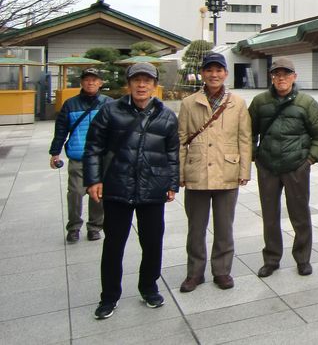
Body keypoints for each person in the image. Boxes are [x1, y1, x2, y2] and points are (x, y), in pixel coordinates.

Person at [83, 62, 179, 320]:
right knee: (114, 244)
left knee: (152, 242)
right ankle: (109, 296)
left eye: (147, 80)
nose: (141, 85)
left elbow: (172, 153)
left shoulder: (167, 115)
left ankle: (149, 287)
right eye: (136, 80)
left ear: (155, 85)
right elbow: (93, 147)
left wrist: (172, 183)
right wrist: (93, 180)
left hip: (152, 187)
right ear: (128, 84)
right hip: (117, 185)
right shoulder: (110, 111)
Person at [177, 52, 252, 292]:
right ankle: (194, 273)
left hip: (227, 170)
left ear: (226, 73)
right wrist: (180, 173)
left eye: (218, 70)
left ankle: (222, 271)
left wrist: (244, 170)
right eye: (209, 70)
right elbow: (181, 140)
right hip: (197, 170)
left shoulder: (237, 103)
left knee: (224, 227)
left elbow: (245, 138)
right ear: (202, 73)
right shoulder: (189, 103)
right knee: (196, 228)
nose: (214, 74)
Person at [249, 57, 318, 278]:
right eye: (277, 74)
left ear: (294, 77)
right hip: (268, 166)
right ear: (271, 77)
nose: (281, 78)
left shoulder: (306, 102)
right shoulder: (260, 102)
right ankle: (271, 259)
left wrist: (309, 160)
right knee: (269, 215)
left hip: (296, 166)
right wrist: (255, 155)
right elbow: (248, 132)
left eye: (286, 74)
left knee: (300, 214)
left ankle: (302, 258)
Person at [49, 67, 111, 243]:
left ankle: (95, 226)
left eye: (94, 79)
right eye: (87, 79)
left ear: (100, 83)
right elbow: (61, 130)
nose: (90, 83)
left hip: (101, 156)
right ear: (82, 82)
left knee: (98, 194)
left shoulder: (108, 103)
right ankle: (74, 226)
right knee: (75, 192)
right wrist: (55, 152)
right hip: (79, 155)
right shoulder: (70, 104)